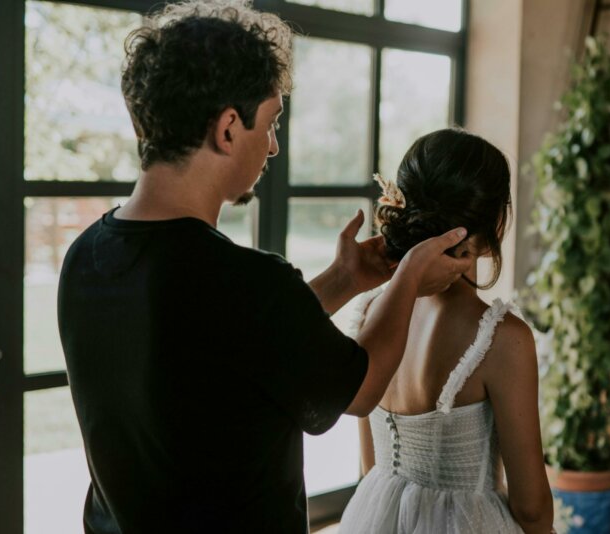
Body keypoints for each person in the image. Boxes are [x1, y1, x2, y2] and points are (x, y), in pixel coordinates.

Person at [56, 1, 471, 533]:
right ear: (228, 128)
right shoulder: (245, 281)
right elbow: (362, 388)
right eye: (271, 122)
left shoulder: (86, 254)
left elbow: (225, 345)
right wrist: (410, 277)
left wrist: (347, 280)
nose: (273, 146)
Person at [339, 129, 555, 533]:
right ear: (495, 223)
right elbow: (531, 506)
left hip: (373, 516)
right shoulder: (502, 339)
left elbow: (369, 466)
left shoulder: (369, 313)